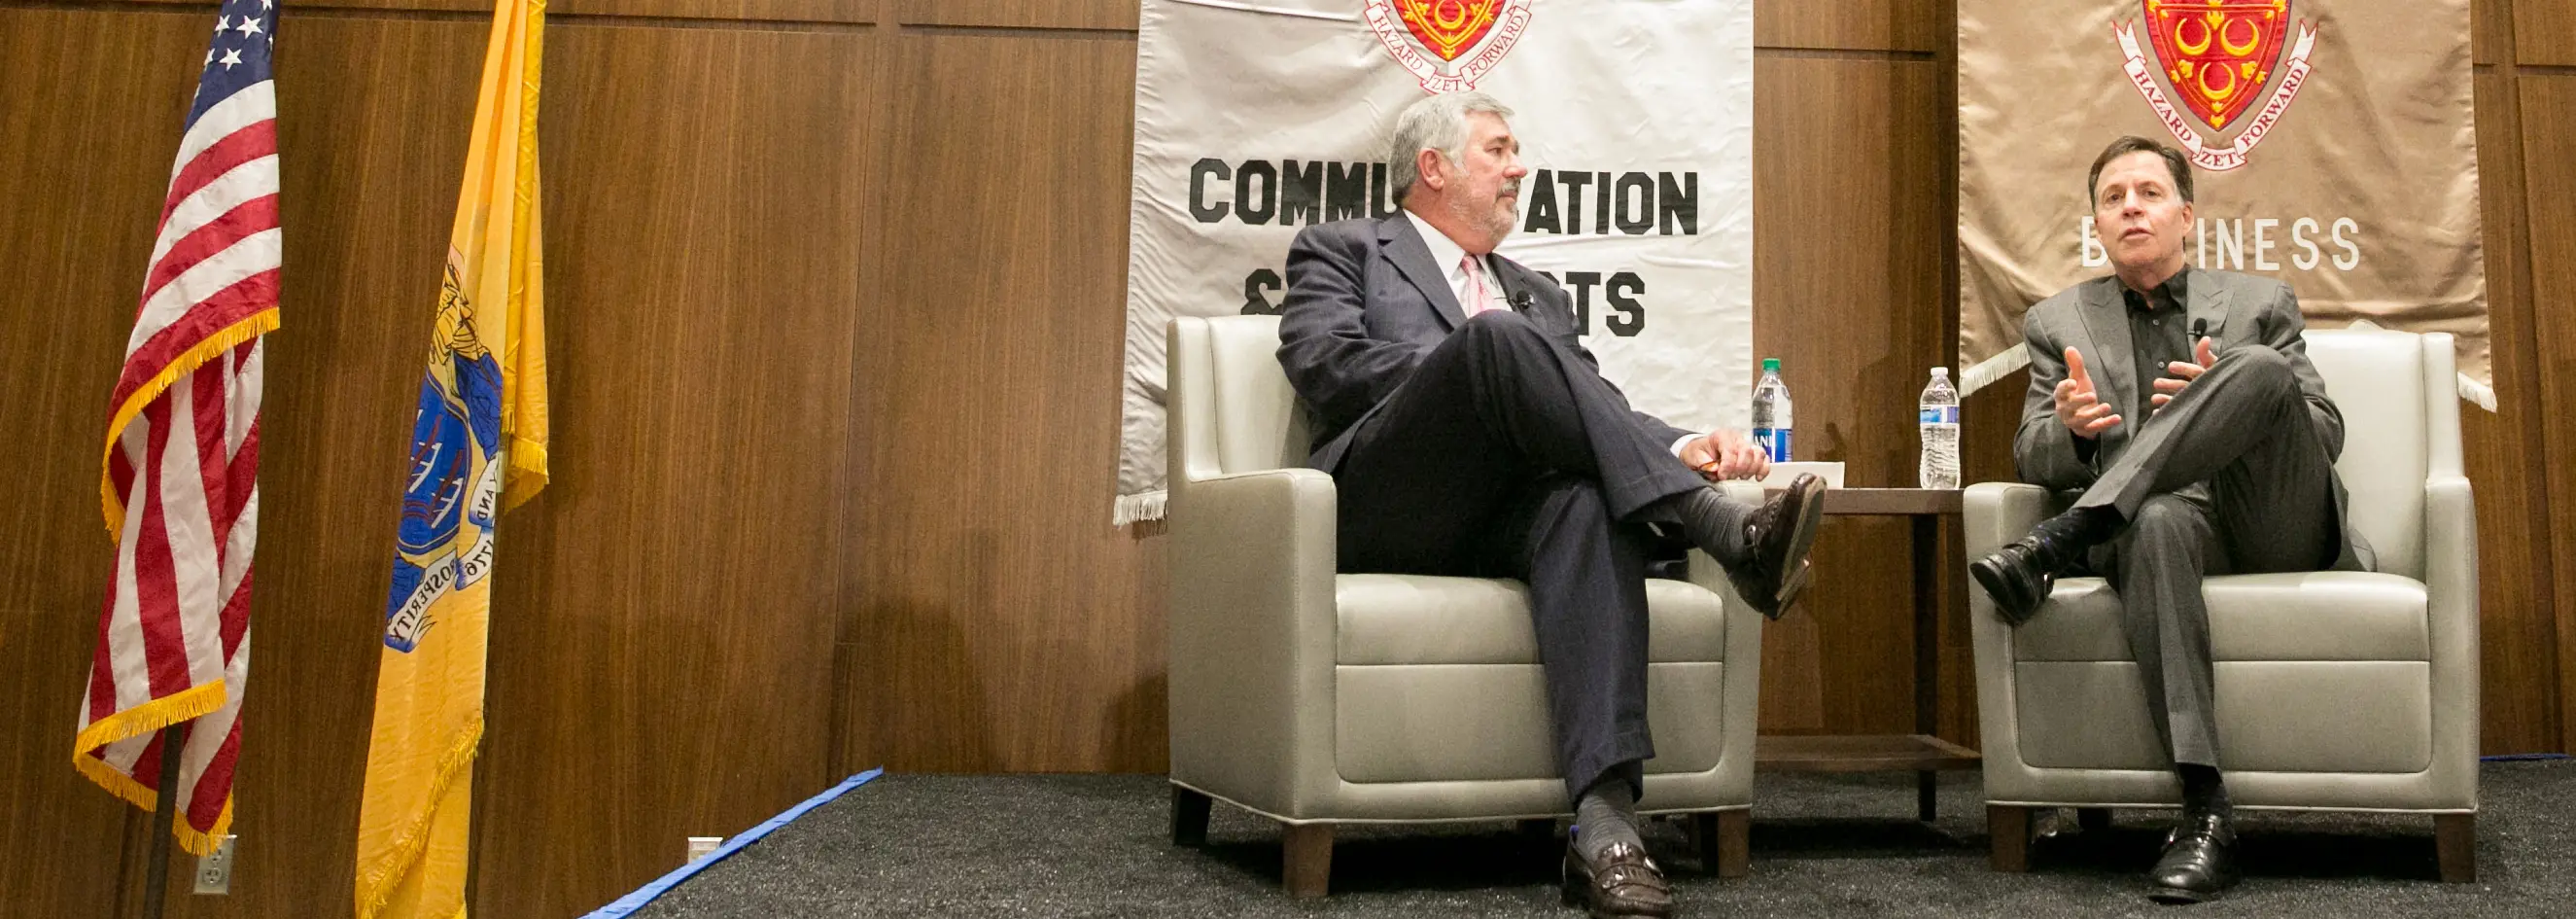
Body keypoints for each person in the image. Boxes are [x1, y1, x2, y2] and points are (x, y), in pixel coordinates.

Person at [1274, 91, 1827, 919]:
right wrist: (1465, 370)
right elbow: (1322, 362)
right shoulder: (1345, 249)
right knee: (1493, 342)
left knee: (1582, 499)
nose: (1518, 167)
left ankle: (1606, 830)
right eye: (1498, 149)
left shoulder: (1536, 293)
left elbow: (1594, 407)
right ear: (1434, 167)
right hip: (1388, 501)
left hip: (1506, 514)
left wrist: (1684, 445)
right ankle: (1720, 528)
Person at [1970, 135, 2374, 904]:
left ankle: (2066, 537)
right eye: (2113, 197)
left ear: (2186, 215)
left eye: (2149, 193)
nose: (2131, 207)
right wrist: (2078, 433)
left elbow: (2322, 430)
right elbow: (2031, 451)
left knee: (2251, 369)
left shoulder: (2259, 302)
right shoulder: (2057, 320)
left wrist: (2228, 405)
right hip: (2167, 532)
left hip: (2269, 519)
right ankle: (2203, 808)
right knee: (2154, 517)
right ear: (2096, 223)